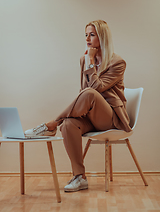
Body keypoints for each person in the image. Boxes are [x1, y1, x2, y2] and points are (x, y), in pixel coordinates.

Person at [25, 20, 132, 192]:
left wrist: (90, 60)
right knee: (68, 124)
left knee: (90, 94)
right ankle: (79, 177)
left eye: (92, 34)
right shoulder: (84, 59)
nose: (88, 38)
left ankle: (51, 124)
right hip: (90, 114)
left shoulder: (117, 62)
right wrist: (88, 60)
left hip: (110, 118)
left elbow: (95, 89)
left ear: (102, 37)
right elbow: (83, 90)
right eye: (86, 35)